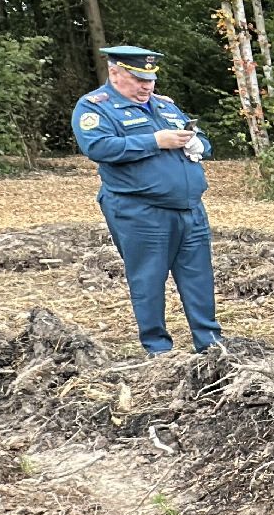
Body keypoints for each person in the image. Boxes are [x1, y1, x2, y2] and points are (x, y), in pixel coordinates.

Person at [71, 46, 222, 356]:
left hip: (189, 207)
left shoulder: (165, 106)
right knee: (148, 279)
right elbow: (99, 147)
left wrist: (196, 143)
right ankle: (158, 350)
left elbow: (202, 141)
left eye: (150, 79)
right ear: (115, 73)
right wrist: (155, 141)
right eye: (138, 79)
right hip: (140, 210)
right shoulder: (96, 107)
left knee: (199, 278)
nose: (146, 86)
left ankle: (210, 344)